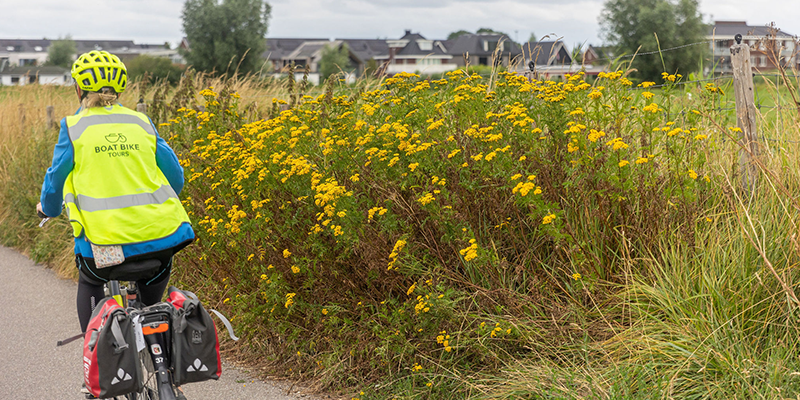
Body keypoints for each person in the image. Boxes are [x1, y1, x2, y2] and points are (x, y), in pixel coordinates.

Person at [37, 50, 194, 334]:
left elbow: (56, 178)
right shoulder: (140, 122)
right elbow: (176, 179)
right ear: (119, 89)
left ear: (79, 89)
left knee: (91, 281)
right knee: (153, 298)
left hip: (104, 247)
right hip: (160, 239)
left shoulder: (74, 127)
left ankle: (95, 346)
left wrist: (47, 208)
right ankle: (157, 344)